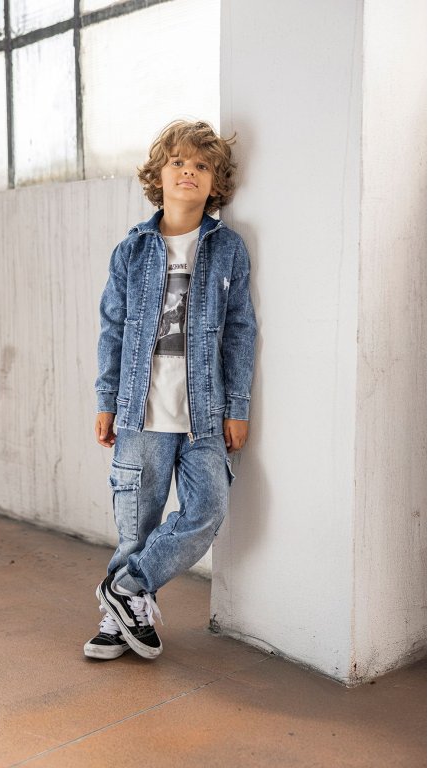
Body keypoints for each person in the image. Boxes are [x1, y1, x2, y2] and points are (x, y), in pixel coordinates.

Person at [84, 120, 257, 660]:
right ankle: (120, 620)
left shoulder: (228, 249)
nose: (189, 171)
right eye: (178, 162)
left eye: (202, 166)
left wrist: (238, 406)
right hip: (141, 412)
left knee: (207, 510)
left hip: (204, 415)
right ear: (158, 176)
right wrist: (106, 400)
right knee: (136, 524)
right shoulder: (132, 251)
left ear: (215, 183)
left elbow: (240, 330)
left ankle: (124, 588)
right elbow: (112, 329)